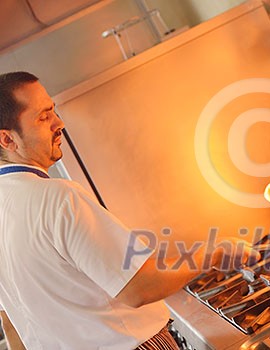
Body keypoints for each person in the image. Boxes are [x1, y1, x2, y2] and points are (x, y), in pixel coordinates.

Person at [0, 71, 256, 349]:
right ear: (7, 140)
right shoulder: (58, 198)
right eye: (43, 117)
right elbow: (139, 288)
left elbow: (11, 323)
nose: (58, 123)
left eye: (53, 111)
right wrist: (212, 254)